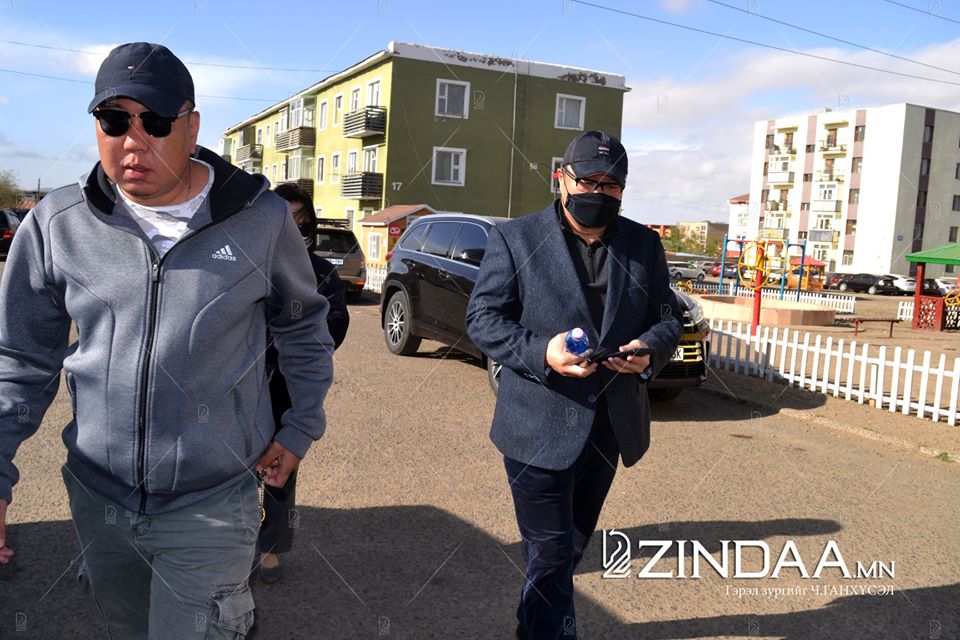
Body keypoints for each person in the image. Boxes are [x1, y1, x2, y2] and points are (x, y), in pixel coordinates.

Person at [0, 42, 334, 638]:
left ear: (191, 126)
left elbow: (303, 324)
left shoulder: (259, 220)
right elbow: (21, 358)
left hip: (211, 503)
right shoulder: (56, 223)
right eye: (114, 120)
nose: (134, 140)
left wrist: (300, 426)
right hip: (98, 499)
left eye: (154, 121)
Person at [465, 130, 683, 640]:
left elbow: (668, 317)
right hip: (536, 425)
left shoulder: (644, 244)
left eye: (611, 186)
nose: (598, 193)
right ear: (561, 178)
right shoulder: (515, 239)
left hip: (609, 426)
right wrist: (544, 352)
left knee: (569, 549)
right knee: (550, 551)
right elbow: (483, 318)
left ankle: (531, 625)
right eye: (588, 182)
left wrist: (649, 350)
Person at [255, 183, 349, 583]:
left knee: (280, 463)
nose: (294, 226)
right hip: (244, 383)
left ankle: (270, 548)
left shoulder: (322, 272)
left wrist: (301, 347)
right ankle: (229, 543)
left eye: (301, 217)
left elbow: (336, 322)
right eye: (285, 216)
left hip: (288, 386)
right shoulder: (249, 264)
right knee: (232, 463)